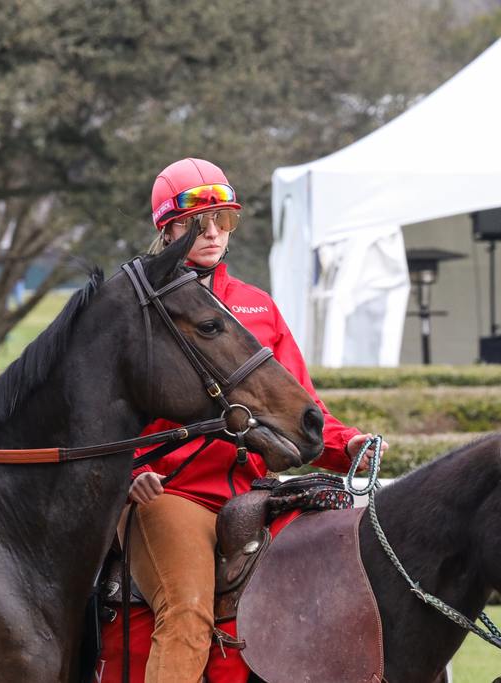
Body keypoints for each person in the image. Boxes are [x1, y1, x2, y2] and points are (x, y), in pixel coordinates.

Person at [121, 157, 389, 682]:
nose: (214, 233)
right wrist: (130, 470)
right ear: (167, 228)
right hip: (173, 496)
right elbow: (99, 408)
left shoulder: (257, 307)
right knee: (188, 616)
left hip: (259, 493)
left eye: (224, 220)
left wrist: (348, 444)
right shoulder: (136, 306)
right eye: (199, 223)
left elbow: (299, 405)